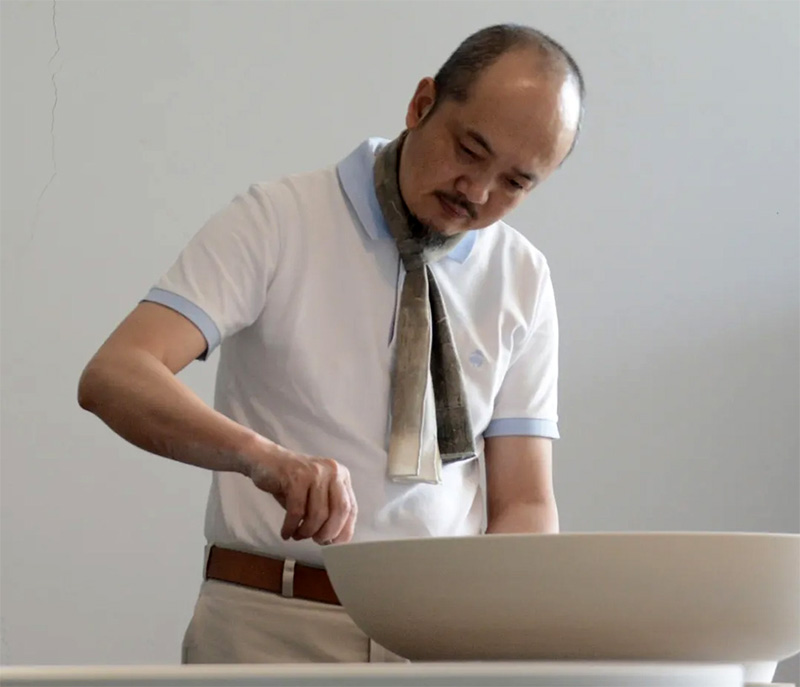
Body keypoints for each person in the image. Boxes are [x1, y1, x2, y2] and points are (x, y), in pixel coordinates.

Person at [77, 23, 585, 664]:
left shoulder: (522, 277)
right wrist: (262, 459)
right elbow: (116, 374)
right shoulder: (277, 220)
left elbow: (525, 501)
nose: (478, 191)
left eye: (516, 183)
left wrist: (498, 634)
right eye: (469, 150)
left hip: (440, 641)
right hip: (271, 627)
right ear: (422, 104)